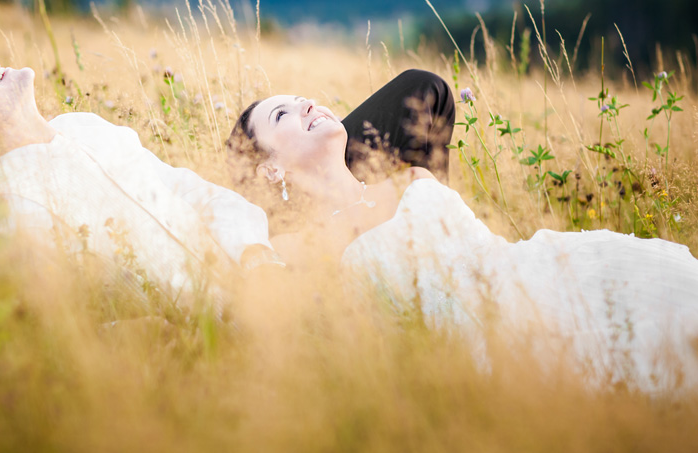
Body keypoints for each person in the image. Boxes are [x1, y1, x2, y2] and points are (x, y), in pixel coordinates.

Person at [228, 92, 698, 393]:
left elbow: (424, 85)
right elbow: (255, 288)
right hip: (487, 347)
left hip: (542, 273)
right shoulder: (296, 246)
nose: (308, 103)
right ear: (270, 168)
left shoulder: (410, 176)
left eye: (302, 97)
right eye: (283, 113)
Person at [0, 49, 275, 296]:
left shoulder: (82, 126)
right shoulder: (10, 212)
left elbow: (195, 192)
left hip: (273, 288)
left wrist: (257, 259)